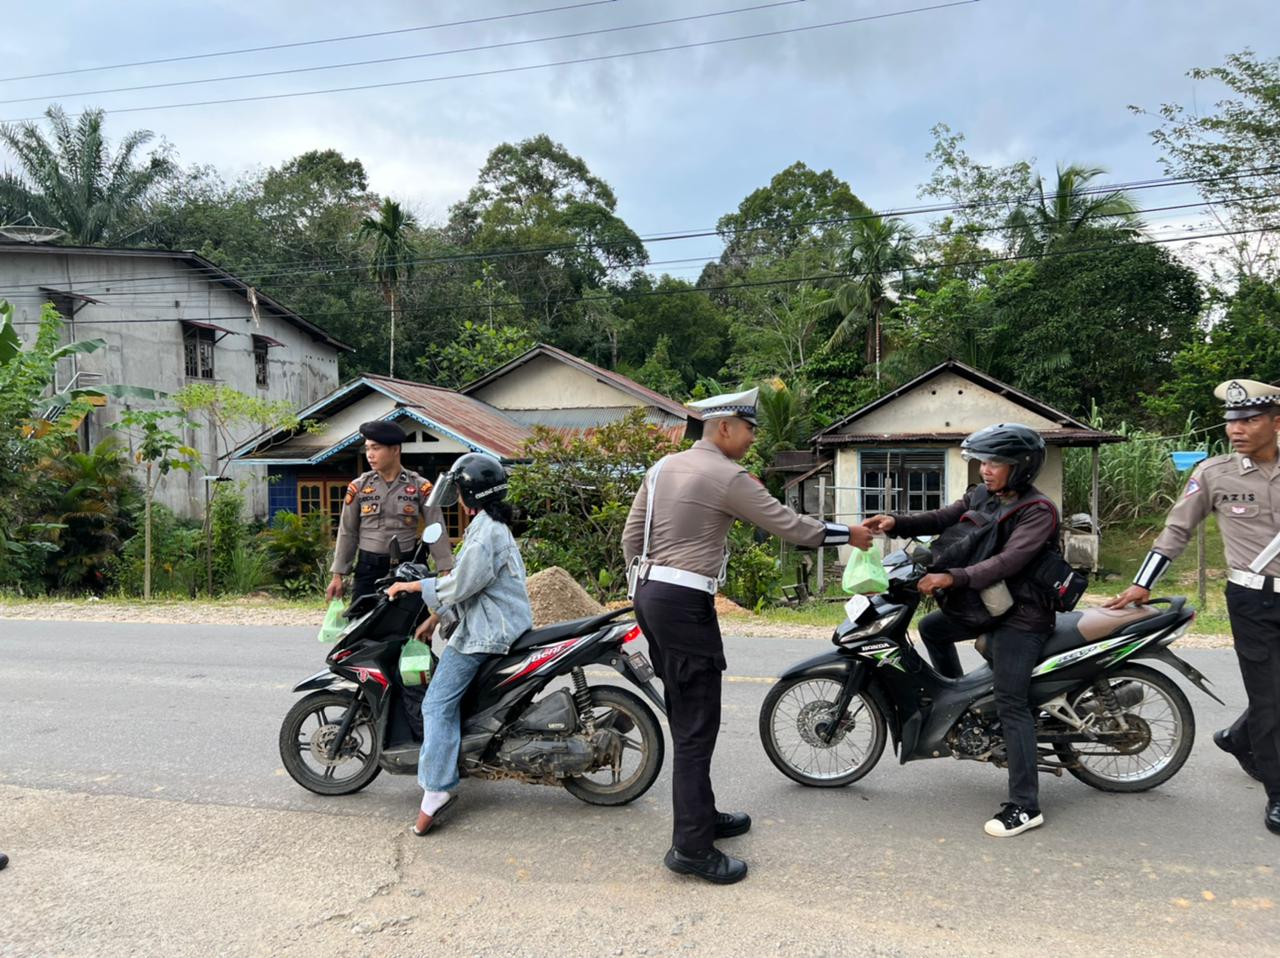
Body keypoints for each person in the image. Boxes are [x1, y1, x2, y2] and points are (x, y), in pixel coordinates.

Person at [622, 387, 874, 884]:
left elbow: (632, 537)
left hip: (650, 595)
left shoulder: (660, 468)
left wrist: (650, 592)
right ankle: (691, 848)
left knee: (686, 714)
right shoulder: (725, 475)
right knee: (697, 726)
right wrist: (852, 534)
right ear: (723, 428)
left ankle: (702, 813)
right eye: (749, 429)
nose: (753, 438)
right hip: (684, 603)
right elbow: (791, 527)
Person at [863, 423, 1058, 838]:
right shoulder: (982, 494)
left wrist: (951, 578)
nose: (986, 470)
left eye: (996, 463)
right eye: (983, 461)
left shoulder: (1038, 512)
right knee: (933, 628)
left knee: (1012, 702)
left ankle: (1026, 805)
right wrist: (895, 522)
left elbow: (1007, 562)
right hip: (986, 605)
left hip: (1021, 617)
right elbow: (943, 517)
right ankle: (961, 704)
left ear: (1021, 467)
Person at [1105, 378, 1280, 836]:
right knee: (1271, 696)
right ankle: (1278, 793)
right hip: (1252, 599)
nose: (1237, 429)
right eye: (1231, 421)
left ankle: (1238, 737)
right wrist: (1142, 585)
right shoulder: (1214, 473)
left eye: (1250, 420)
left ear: (1276, 423)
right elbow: (1175, 532)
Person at [386, 452, 533, 835]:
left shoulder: (486, 532)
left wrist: (411, 585)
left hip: (487, 632)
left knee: (436, 704)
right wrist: (434, 617)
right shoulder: (491, 525)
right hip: (496, 622)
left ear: (469, 495)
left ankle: (436, 790)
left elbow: (460, 584)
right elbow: (472, 587)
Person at [326, 420, 454, 602]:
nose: (369, 455)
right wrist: (338, 575)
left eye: (375, 448)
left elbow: (436, 526)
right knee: (362, 625)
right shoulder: (359, 487)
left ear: (395, 450)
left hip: (409, 568)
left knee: (411, 625)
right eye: (367, 448)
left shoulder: (420, 486)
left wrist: (445, 568)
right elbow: (347, 531)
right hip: (369, 569)